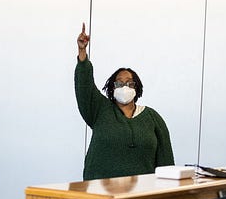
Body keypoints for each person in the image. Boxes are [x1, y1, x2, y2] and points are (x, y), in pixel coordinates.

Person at [73, 24, 174, 179]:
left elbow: (166, 162)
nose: (124, 86)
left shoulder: (152, 118)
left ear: (137, 87)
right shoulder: (100, 110)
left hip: (142, 193)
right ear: (112, 88)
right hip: (100, 190)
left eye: (129, 82)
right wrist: (82, 53)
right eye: (119, 83)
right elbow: (85, 88)